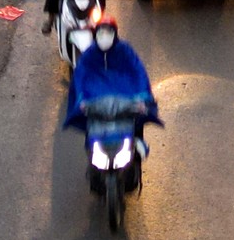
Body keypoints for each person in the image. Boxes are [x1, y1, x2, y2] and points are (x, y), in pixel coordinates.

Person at [61, 17, 161, 157]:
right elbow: (80, 76)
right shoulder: (90, 54)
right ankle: (91, 148)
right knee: (89, 121)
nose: (104, 37)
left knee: (138, 117)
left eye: (108, 32)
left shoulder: (124, 50)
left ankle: (137, 143)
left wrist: (143, 95)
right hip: (97, 97)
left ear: (115, 33)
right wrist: (81, 98)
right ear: (95, 34)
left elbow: (138, 71)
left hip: (125, 95)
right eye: (101, 33)